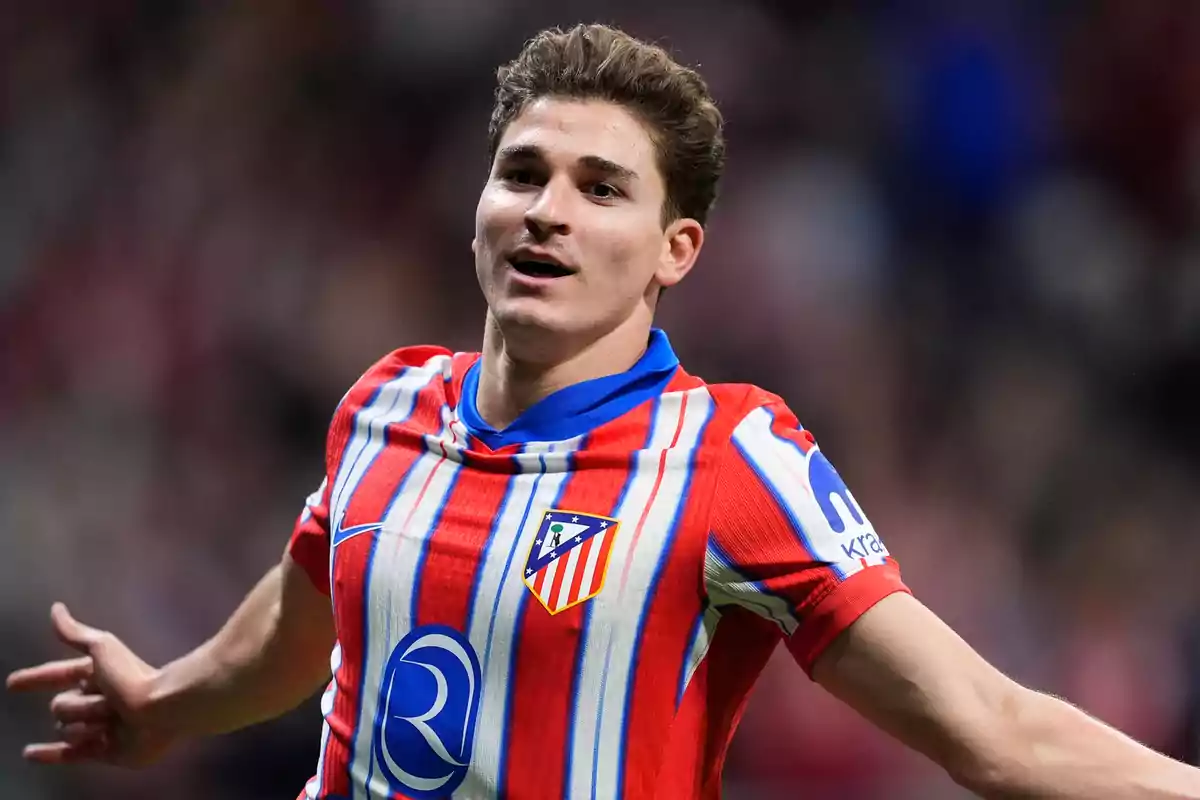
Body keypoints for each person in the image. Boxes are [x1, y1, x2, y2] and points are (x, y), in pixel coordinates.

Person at [7, 22, 1200, 800]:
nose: (547, 211)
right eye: (522, 173)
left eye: (601, 188)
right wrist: (167, 702)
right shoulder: (384, 405)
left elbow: (988, 725)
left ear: (675, 249)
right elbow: (311, 619)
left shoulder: (729, 456)